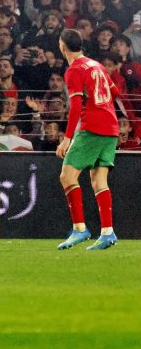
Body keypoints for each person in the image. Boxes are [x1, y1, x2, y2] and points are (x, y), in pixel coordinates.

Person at [55, 29, 119, 251]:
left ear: (62, 46)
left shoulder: (73, 70)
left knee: (67, 175)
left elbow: (74, 108)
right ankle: (107, 233)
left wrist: (66, 139)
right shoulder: (96, 65)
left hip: (92, 128)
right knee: (99, 182)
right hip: (111, 127)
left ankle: (80, 229)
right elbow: (116, 91)